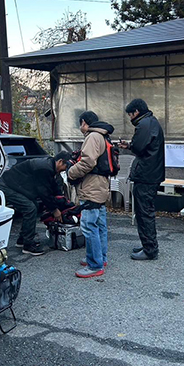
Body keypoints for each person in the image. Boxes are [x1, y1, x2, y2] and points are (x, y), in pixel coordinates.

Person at [68, 111, 115, 278]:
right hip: (101, 185)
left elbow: (87, 162)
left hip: (92, 187)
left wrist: (71, 172)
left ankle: (95, 265)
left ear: (84, 123)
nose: (80, 127)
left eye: (80, 124)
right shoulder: (103, 136)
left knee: (88, 225)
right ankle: (100, 258)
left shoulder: (92, 136)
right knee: (100, 223)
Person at [0, 151, 72, 255]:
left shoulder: (50, 166)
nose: (64, 170)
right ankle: (28, 245)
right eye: (65, 167)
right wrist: (54, 210)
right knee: (30, 208)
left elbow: (53, 187)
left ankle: (23, 239)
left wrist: (61, 200)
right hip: (8, 185)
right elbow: (43, 192)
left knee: (33, 206)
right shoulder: (44, 168)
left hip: (17, 185)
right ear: (60, 162)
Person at [119, 99, 165, 261]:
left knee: (144, 213)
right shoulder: (151, 122)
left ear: (136, 112)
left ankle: (150, 249)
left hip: (146, 175)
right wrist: (129, 145)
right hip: (151, 174)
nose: (130, 118)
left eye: (130, 114)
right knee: (145, 211)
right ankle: (148, 245)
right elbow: (143, 146)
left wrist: (132, 145)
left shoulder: (144, 124)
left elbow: (139, 147)